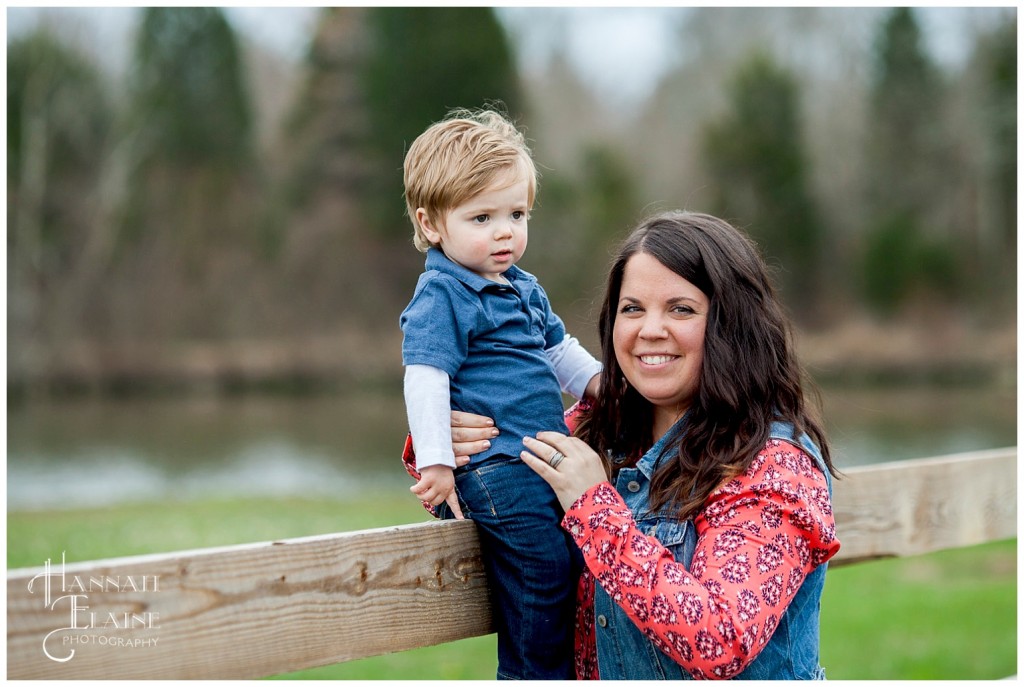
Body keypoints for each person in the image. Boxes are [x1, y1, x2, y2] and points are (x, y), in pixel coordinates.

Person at [442, 210, 841, 679]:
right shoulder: (599, 431)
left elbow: (720, 640)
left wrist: (595, 509)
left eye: (681, 309)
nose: (650, 330)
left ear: (733, 326)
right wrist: (447, 448)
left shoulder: (774, 465)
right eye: (633, 309)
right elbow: (496, 510)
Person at [399, 107, 601, 680]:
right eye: (482, 216)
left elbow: (559, 351)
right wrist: (437, 461)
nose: (505, 230)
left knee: (566, 560)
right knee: (542, 570)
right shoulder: (443, 295)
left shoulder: (522, 287)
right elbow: (426, 378)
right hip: (496, 468)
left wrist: (604, 387)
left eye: (516, 213)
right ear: (432, 223)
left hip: (538, 459)